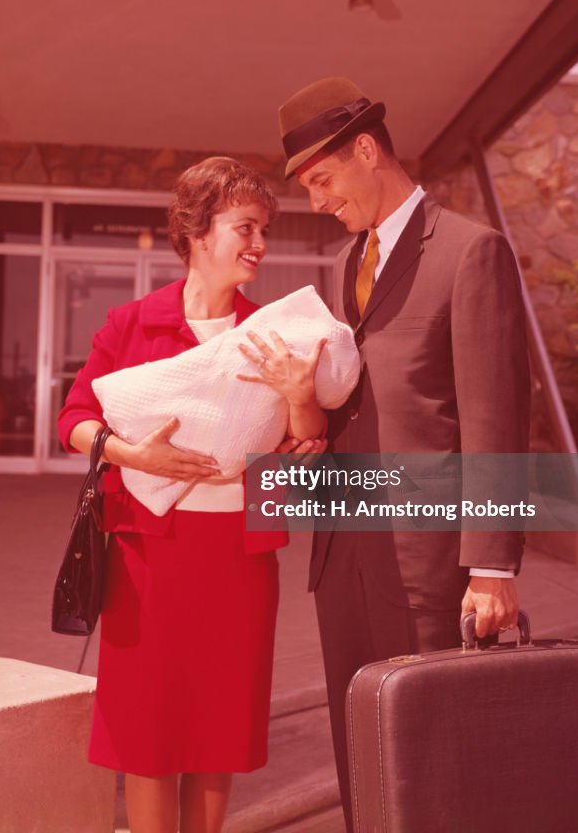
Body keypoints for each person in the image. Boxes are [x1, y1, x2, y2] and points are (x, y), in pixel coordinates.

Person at [276, 77, 531, 831]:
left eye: (322, 179)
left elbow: (495, 418)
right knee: (363, 756)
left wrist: (493, 565)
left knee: (434, 759)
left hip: (428, 567)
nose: (318, 199)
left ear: (366, 150)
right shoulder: (352, 265)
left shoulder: (469, 252)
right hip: (345, 554)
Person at [57, 156, 326, 833]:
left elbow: (301, 453)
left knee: (217, 732)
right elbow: (73, 419)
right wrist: (129, 452)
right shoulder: (131, 323)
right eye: (246, 227)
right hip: (147, 560)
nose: (259, 243)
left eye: (264, 228)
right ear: (199, 231)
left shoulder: (273, 336)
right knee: (149, 736)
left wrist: (301, 406)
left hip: (237, 560)